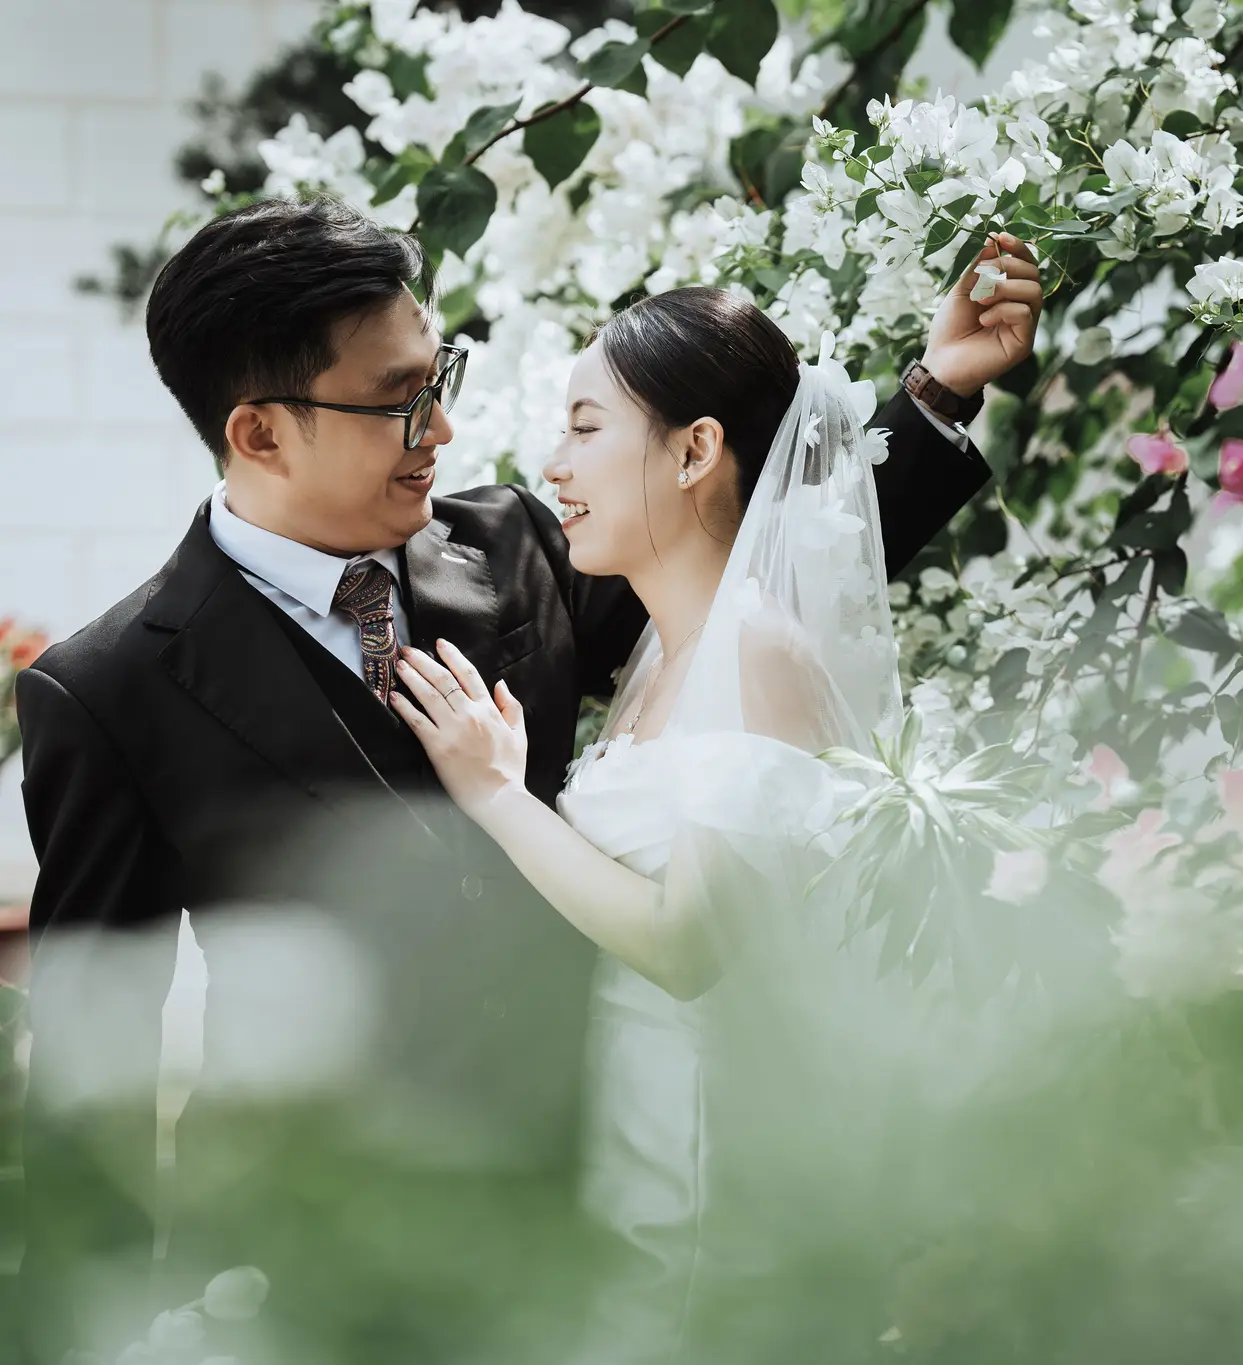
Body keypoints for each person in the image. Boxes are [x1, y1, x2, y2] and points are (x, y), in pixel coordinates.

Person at [12, 197, 1041, 1360]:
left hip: (593, 1211)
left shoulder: (511, 547)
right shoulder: (108, 691)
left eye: (437, 376)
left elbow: (748, 581)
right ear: (259, 434)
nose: (442, 428)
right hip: (326, 1263)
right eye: (400, 399)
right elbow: (90, 1056)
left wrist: (936, 397)